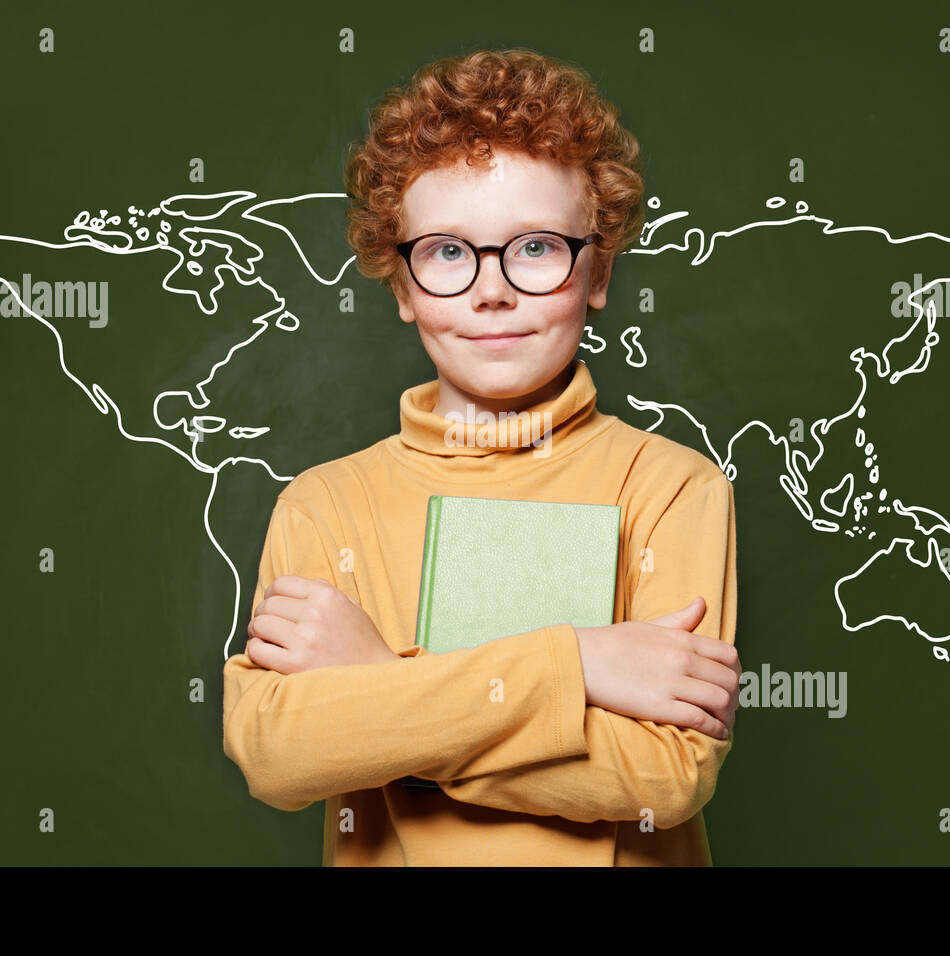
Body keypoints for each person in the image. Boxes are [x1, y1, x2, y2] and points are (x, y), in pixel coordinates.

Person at [222, 48, 741, 866]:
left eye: (535, 248)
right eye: (447, 252)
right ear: (401, 285)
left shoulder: (674, 488)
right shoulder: (323, 506)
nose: (490, 290)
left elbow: (662, 776)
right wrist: (576, 664)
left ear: (597, 269)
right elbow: (280, 754)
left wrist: (378, 679)